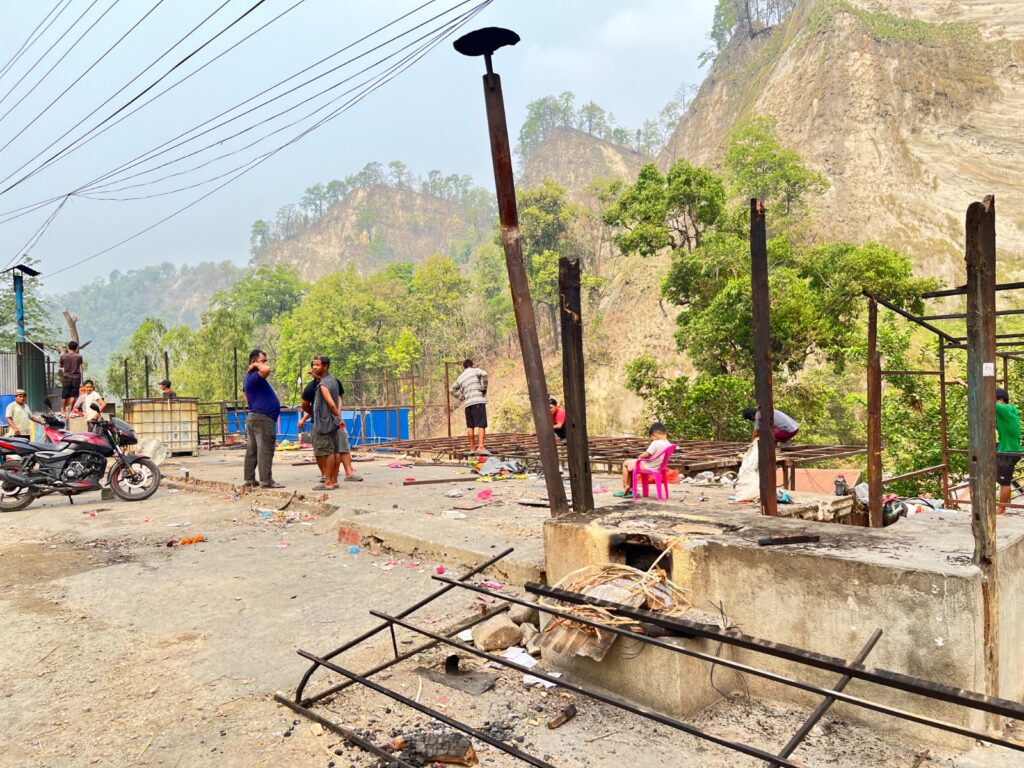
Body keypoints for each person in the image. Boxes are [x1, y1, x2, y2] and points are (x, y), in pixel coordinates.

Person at [310, 355, 362, 488]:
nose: (314, 367)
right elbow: (338, 399)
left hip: (324, 423)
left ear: (325, 366)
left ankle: (327, 482)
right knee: (335, 451)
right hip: (332, 422)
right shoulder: (333, 381)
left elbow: (332, 404)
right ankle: (333, 481)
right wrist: (337, 418)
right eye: (313, 365)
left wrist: (337, 416)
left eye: (317, 365)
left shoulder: (323, 385)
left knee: (327, 452)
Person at [242, 349, 283, 489]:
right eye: (262, 361)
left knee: (252, 450)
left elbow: (244, 392)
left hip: (255, 416)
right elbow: (267, 370)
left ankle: (249, 480)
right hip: (263, 418)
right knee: (265, 450)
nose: (265, 364)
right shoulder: (254, 376)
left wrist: (253, 403)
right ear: (254, 362)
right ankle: (266, 481)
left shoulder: (249, 377)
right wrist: (255, 365)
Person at [615, 423, 672, 498]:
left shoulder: (655, 443)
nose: (652, 439)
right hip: (659, 467)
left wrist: (640, 456)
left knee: (625, 463)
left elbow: (647, 454)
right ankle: (631, 489)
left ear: (656, 435)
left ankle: (626, 486)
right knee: (632, 466)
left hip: (649, 466)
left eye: (652, 437)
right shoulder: (669, 444)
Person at [449, 358, 489, 455]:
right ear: (471, 365)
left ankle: (472, 448)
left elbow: (452, 390)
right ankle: (481, 447)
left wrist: (462, 397)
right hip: (478, 401)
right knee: (481, 424)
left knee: (470, 426)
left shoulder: (461, 377)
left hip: (468, 404)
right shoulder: (475, 370)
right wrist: (484, 389)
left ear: (464, 367)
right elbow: (484, 374)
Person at [996, 387, 1021, 514]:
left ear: (1000, 400)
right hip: (1010, 450)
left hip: (1008, 452)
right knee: (1003, 480)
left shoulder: (1004, 409)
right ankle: (1003, 506)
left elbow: (984, 398)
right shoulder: (1011, 409)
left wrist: (966, 385)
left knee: (1004, 482)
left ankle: (1001, 509)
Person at [59, 340, 83, 421]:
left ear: (68, 347)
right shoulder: (79, 357)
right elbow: (79, 365)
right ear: (76, 348)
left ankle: (63, 411)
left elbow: (61, 365)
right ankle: (70, 410)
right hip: (76, 377)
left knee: (65, 395)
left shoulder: (63, 356)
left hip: (66, 377)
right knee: (73, 395)